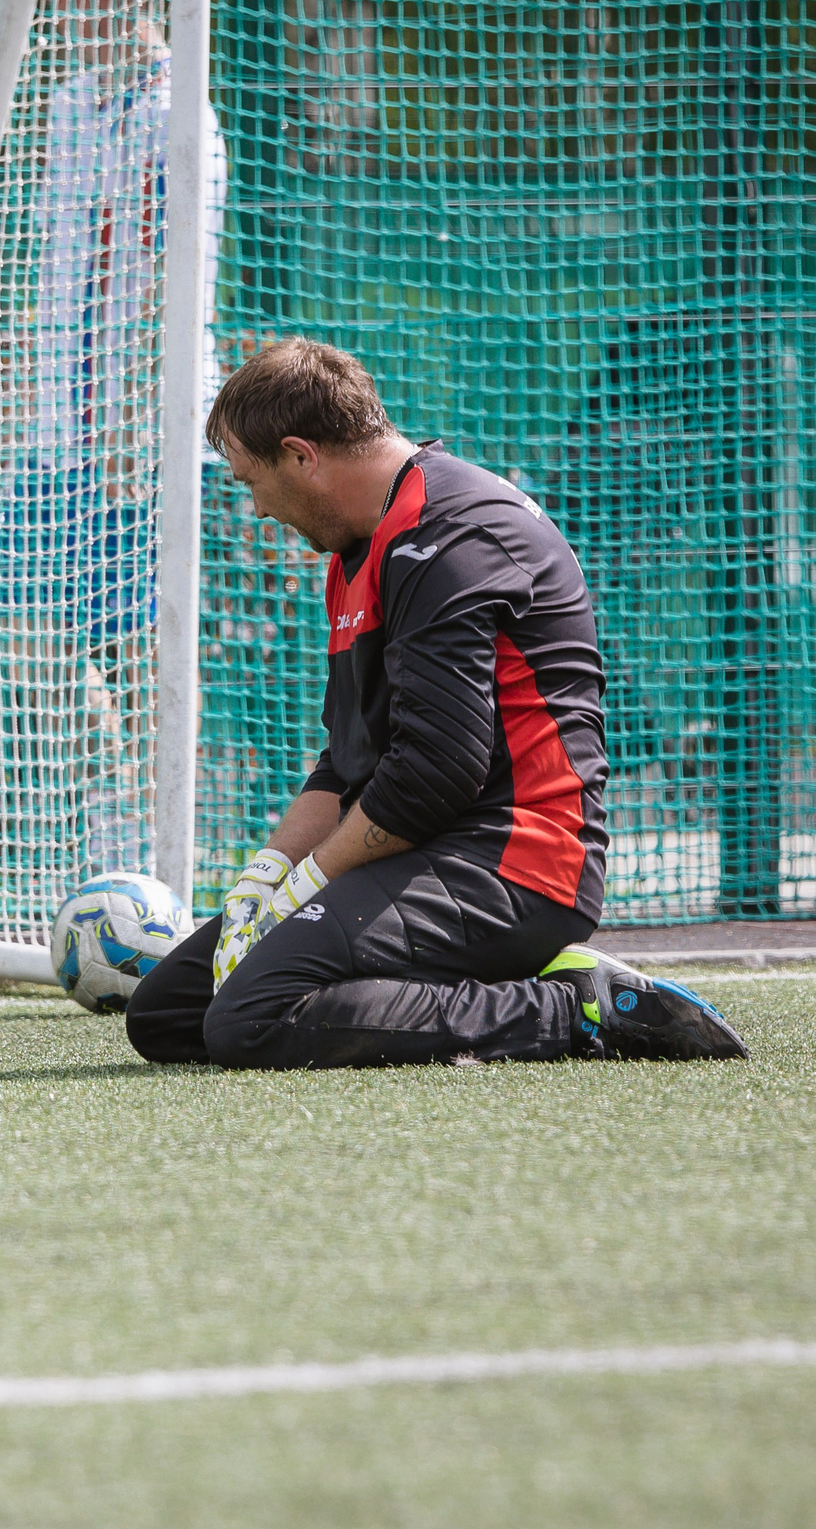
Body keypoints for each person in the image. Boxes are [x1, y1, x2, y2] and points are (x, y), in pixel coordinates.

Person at [125, 339, 747, 1068]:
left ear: (300, 456)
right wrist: (263, 878)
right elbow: (347, 762)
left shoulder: (454, 534)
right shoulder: (360, 547)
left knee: (250, 1019)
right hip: (423, 851)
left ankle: (576, 1008)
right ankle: (461, 988)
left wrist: (310, 881)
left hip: (516, 866)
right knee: (168, 1015)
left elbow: (435, 773)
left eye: (251, 482)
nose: (258, 509)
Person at [0, 0, 228, 877]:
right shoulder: (68, 105)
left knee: (140, 652)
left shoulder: (177, 111)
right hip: (56, 430)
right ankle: (114, 830)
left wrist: (140, 423)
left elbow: (172, 278)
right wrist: (26, 381)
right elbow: (56, 264)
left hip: (138, 435)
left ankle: (161, 862)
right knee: (21, 630)